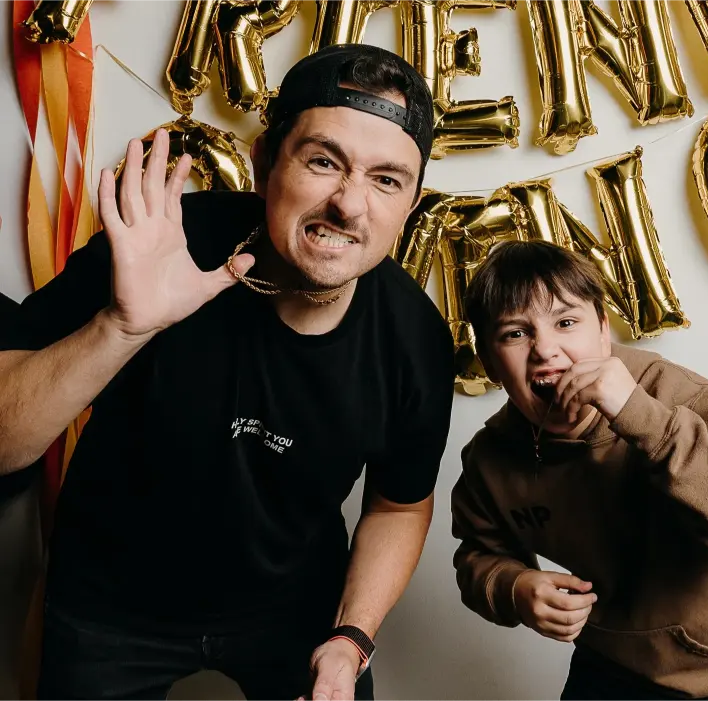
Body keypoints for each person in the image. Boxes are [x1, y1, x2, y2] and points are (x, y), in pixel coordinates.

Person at [0, 44, 455, 701]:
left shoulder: (413, 338)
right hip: (111, 600)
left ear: (410, 203)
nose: (350, 205)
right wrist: (122, 326)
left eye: (386, 180)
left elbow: (399, 502)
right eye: (323, 161)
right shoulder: (160, 246)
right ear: (265, 161)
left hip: (294, 607)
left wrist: (351, 636)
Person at [451, 240, 708, 700]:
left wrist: (641, 417)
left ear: (604, 331)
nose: (545, 349)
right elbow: (478, 552)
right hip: (610, 667)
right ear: (488, 361)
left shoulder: (679, 396)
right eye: (515, 334)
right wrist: (514, 586)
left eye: (566, 322)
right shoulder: (491, 458)